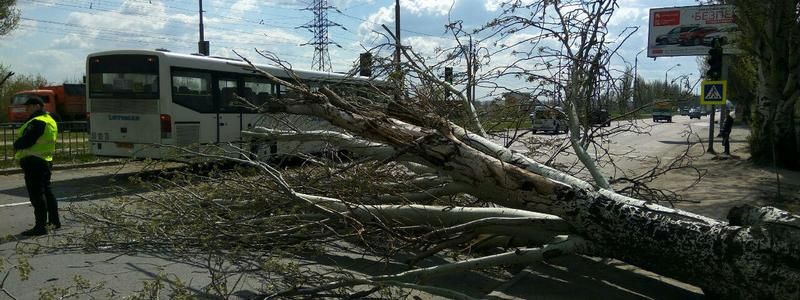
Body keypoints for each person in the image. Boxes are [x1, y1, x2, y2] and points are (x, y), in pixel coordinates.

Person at [13, 96, 60, 236]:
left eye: (28, 106)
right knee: (47, 192)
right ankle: (54, 222)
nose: (26, 109)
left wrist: (16, 145)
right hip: (45, 159)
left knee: (37, 195)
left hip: (33, 161)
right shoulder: (49, 120)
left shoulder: (37, 121)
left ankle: (40, 227)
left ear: (37, 106)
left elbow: (27, 141)